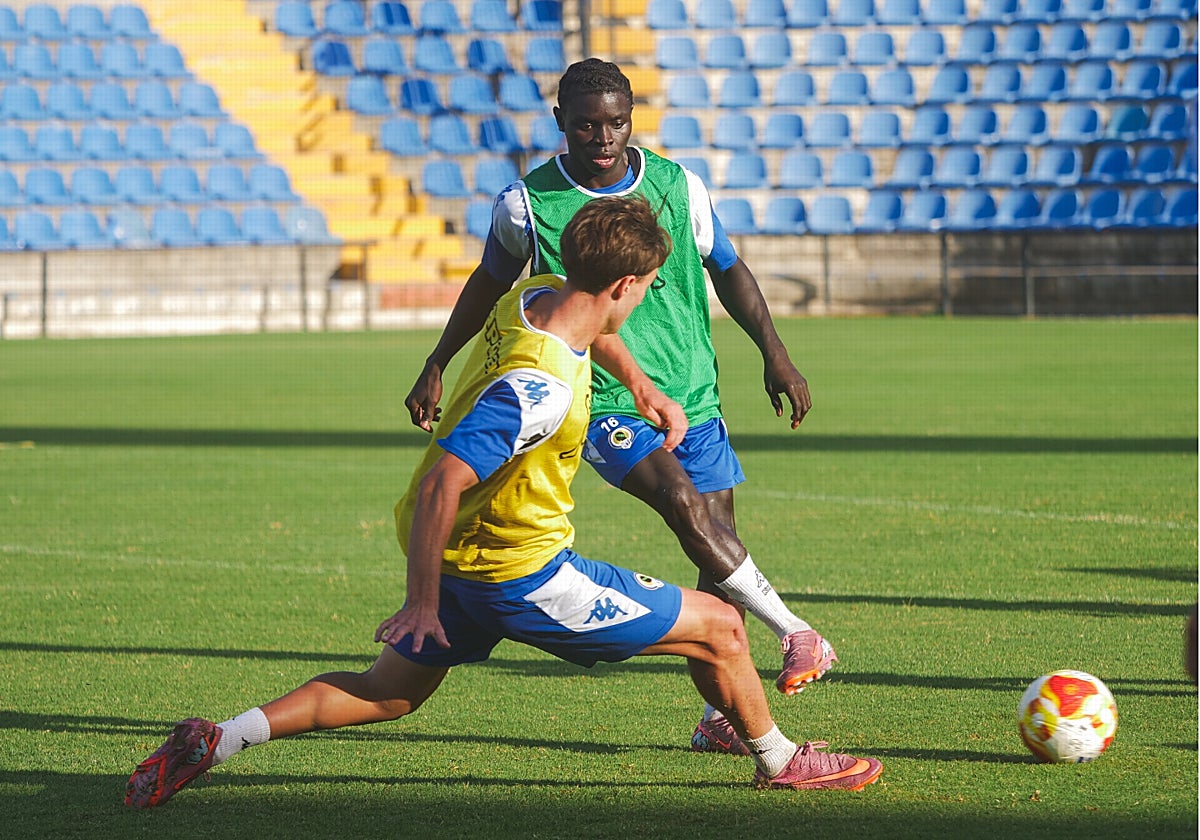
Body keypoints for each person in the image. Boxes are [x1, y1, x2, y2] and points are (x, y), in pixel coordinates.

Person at [125, 196, 882, 810]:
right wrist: (421, 605)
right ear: (623, 287)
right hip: (518, 573)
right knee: (719, 627)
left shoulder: (535, 297)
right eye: (646, 285)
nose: (646, 294)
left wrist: (645, 389)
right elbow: (439, 484)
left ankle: (219, 738)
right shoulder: (537, 391)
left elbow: (596, 337)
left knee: (388, 693)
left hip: (463, 559)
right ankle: (782, 761)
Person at [404, 58, 831, 756]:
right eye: (586, 126)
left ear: (632, 118)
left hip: (691, 391)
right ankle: (798, 633)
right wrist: (436, 360)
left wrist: (773, 351)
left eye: (617, 123)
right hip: (603, 400)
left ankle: (721, 717)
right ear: (561, 126)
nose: (603, 138)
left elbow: (728, 264)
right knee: (685, 507)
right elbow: (489, 283)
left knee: (716, 560)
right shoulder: (526, 204)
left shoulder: (677, 185)